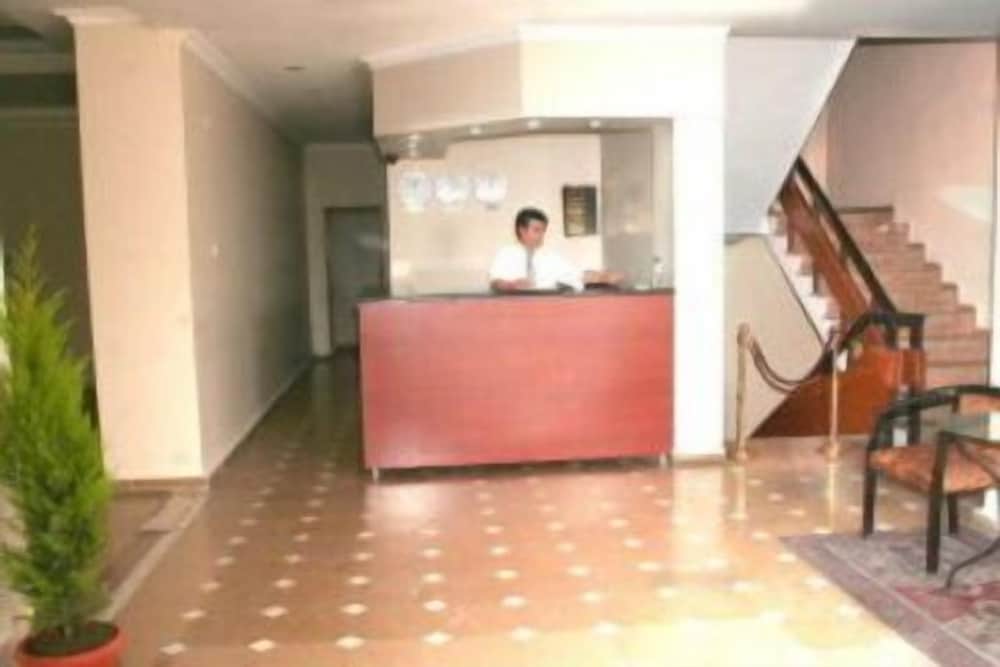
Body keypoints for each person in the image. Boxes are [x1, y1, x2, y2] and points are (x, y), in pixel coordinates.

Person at [489, 207, 622, 293]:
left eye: (543, 231)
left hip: (544, 310)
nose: (541, 235)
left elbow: (577, 275)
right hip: (513, 310)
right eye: (536, 230)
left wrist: (603, 277)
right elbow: (495, 283)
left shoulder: (550, 257)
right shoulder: (505, 254)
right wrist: (511, 285)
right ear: (522, 230)